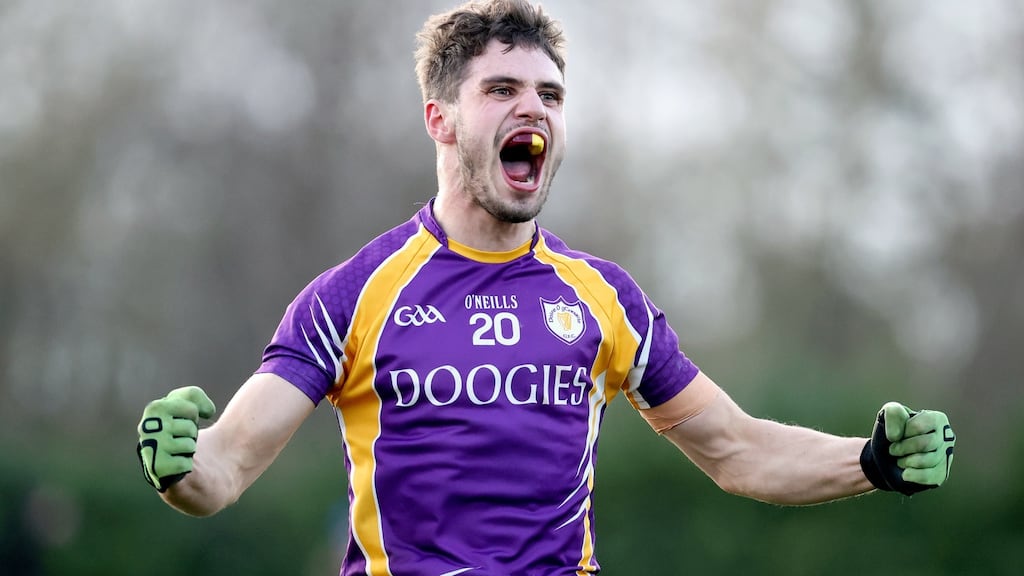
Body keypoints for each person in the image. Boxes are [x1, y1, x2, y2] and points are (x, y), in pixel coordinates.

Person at [136, 1, 957, 574]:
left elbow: (735, 450)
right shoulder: (354, 295)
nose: (534, 110)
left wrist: (871, 461)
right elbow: (228, 466)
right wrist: (181, 465)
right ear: (441, 118)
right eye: (502, 90)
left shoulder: (602, 297)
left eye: (551, 96)